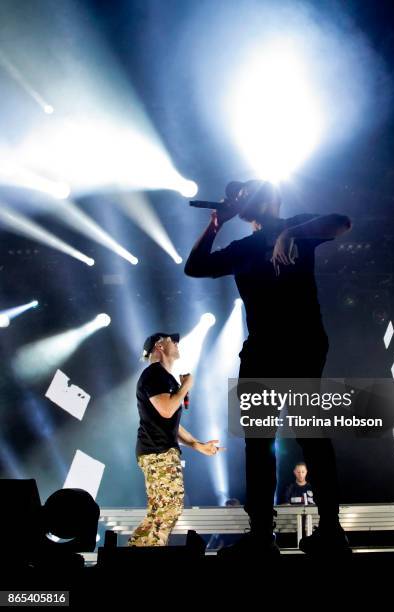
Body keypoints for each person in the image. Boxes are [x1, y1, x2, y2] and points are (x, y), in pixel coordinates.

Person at [185, 179, 352, 556]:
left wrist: (291, 231)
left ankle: (331, 530)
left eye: (245, 192)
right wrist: (216, 222)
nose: (237, 197)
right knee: (258, 444)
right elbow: (194, 268)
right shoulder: (243, 248)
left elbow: (342, 221)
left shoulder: (301, 225)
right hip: (261, 350)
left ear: (268, 198)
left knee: (311, 436)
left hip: (302, 347)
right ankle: (262, 534)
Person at [129, 332, 224, 547]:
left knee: (163, 511)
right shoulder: (153, 374)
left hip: (160, 450)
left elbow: (170, 423)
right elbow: (166, 409)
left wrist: (197, 445)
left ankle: (135, 552)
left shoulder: (163, 377)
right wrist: (186, 386)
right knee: (167, 508)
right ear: (159, 346)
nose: (177, 343)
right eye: (172, 340)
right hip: (157, 452)